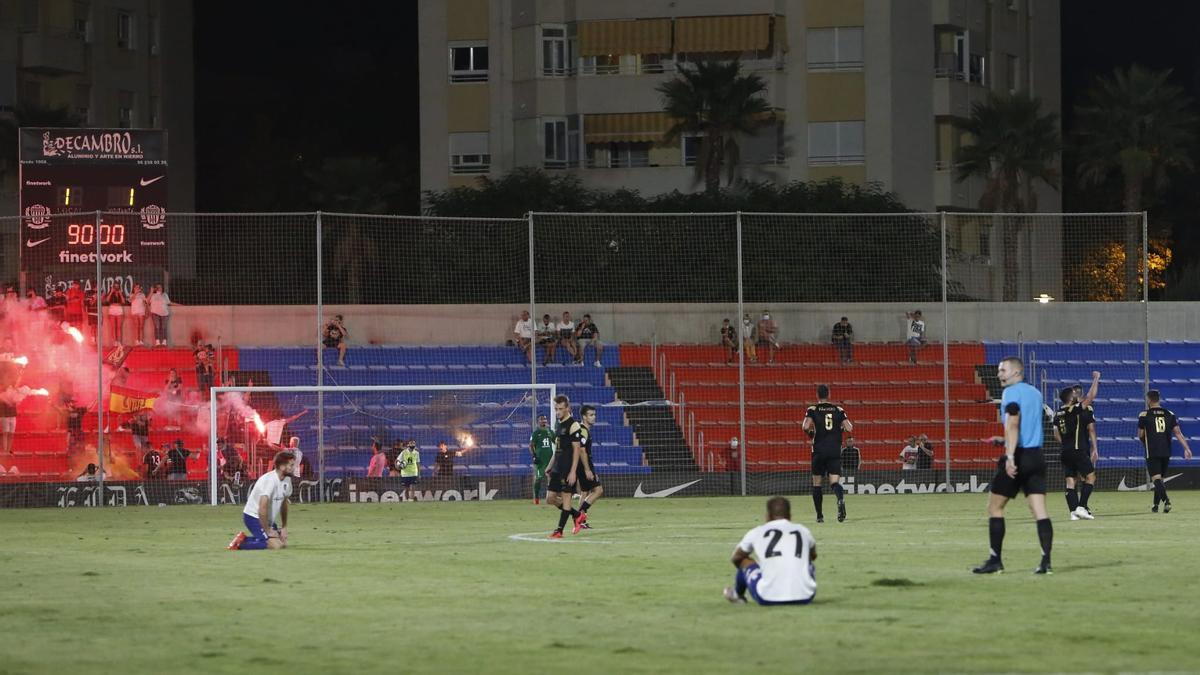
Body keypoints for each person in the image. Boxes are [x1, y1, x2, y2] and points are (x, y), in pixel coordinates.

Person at [973, 357, 1053, 575]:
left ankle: (995, 560)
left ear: (1017, 373)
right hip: (1036, 456)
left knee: (995, 507)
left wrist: (1009, 456)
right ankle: (1046, 562)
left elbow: (1015, 423)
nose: (999, 374)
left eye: (1003, 370)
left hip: (1018, 456)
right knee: (1039, 511)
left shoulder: (1010, 393)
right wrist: (1003, 439)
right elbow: (1027, 427)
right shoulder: (1036, 393)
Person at [723, 496, 817, 606]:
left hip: (767, 597)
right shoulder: (803, 530)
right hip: (806, 596)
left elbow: (736, 558)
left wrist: (760, 566)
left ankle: (738, 595)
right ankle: (800, 586)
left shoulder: (757, 532)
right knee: (808, 563)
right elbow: (813, 556)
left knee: (744, 560)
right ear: (790, 515)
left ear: (767, 516)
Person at [1052, 371, 1101, 520]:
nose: (1076, 395)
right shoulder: (1074, 409)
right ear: (1071, 397)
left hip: (1065, 451)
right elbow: (1091, 397)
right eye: (1074, 394)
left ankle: (1073, 512)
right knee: (1091, 477)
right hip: (1078, 449)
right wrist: (1096, 379)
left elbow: (1055, 434)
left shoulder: (1057, 413)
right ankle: (1081, 507)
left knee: (1070, 481)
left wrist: (1066, 443)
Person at [801, 385, 853, 523]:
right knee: (834, 482)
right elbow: (849, 427)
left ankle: (819, 516)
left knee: (817, 483)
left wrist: (811, 434)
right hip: (834, 450)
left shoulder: (812, 409)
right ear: (829, 394)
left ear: (817, 395)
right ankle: (840, 499)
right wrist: (839, 429)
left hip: (818, 450)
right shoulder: (838, 409)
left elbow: (805, 426)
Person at [1138, 389, 1193, 514]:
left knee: (1156, 478)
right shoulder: (1170, 414)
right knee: (1160, 479)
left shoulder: (1144, 415)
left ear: (1148, 400)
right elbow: (1178, 433)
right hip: (1166, 450)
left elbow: (1140, 434)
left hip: (1152, 450)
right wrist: (1186, 448)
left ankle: (1166, 501)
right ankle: (1155, 505)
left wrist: (1145, 442)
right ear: (1158, 399)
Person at [228, 450, 295, 551]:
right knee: (275, 546)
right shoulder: (269, 481)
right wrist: (267, 530)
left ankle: (246, 538)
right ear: (282, 467)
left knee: (282, 543)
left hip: (266, 518)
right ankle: (239, 544)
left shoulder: (287, 480)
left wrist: (284, 526)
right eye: (291, 465)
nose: (293, 468)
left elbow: (284, 502)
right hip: (253, 517)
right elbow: (262, 509)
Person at [546, 394, 583, 539]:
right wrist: (549, 466)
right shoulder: (558, 424)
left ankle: (559, 530)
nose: (558, 412)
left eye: (561, 409)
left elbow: (577, 450)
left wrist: (573, 471)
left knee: (566, 497)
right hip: (557, 467)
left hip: (568, 468)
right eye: (556, 409)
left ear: (568, 408)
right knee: (550, 498)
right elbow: (557, 449)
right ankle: (577, 515)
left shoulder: (573, 425)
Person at [571, 404, 604, 534]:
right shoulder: (583, 430)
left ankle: (581, 521)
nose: (594, 417)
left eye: (594, 414)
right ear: (584, 417)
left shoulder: (582, 429)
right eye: (591, 415)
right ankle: (579, 515)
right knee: (598, 490)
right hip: (584, 464)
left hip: (581, 464)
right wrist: (587, 469)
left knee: (585, 492)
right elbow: (581, 450)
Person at [529, 414, 555, 504]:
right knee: (538, 479)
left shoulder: (550, 432)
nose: (544, 420)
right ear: (538, 422)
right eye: (541, 419)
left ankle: (549, 498)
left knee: (550, 478)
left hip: (549, 459)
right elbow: (531, 446)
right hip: (540, 460)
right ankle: (536, 498)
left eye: (545, 419)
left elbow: (556, 441)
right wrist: (534, 456)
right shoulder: (536, 433)